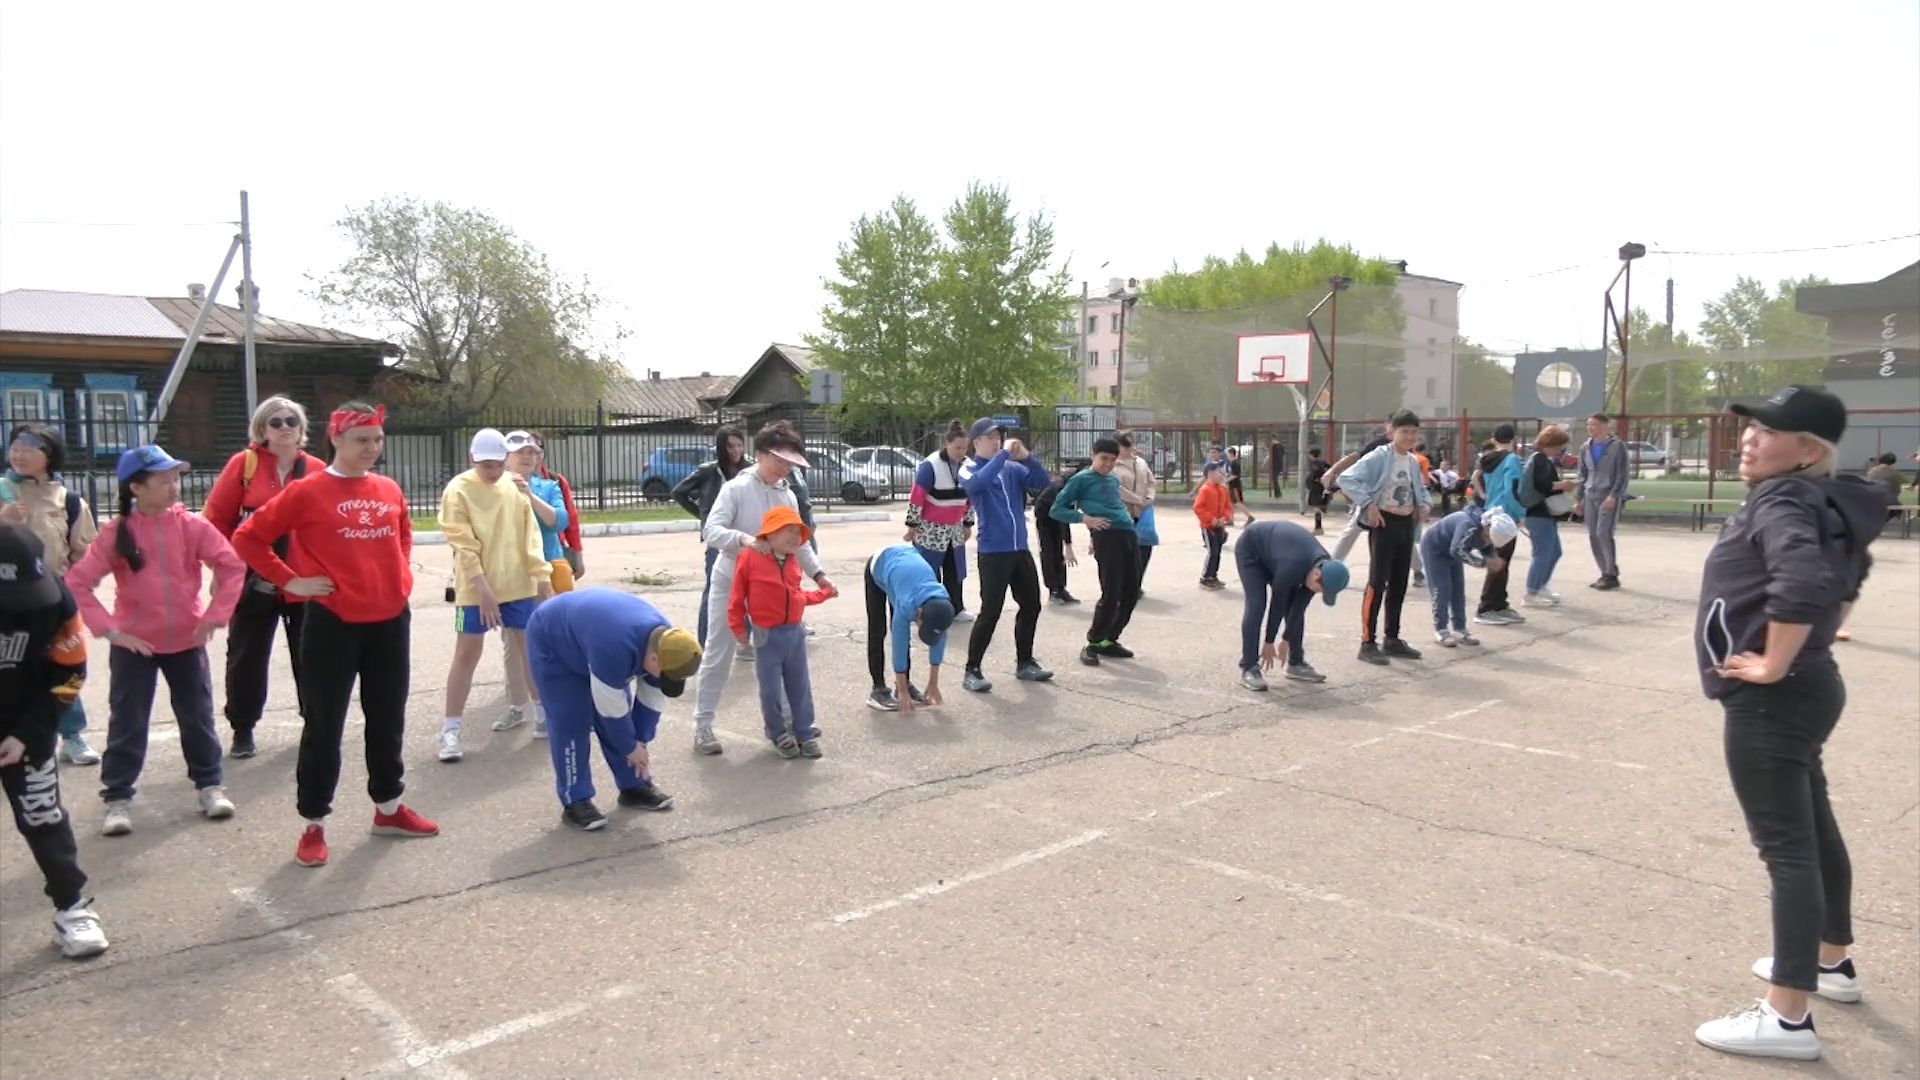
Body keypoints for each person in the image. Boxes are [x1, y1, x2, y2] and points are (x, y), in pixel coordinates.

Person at [1691, 385, 1887, 1062]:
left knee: (1787, 847)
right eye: (1749, 425)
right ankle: (1830, 961)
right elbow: (1844, 577)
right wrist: (1811, 642)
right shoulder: (1822, 499)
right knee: (1812, 827)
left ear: (1809, 450)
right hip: (1811, 685)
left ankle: (1788, 1015)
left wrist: (1774, 662)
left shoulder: (1782, 499)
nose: (1748, 436)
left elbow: (1803, 581)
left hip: (1778, 696)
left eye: (1768, 430)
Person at [231, 402, 439, 868]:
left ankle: (388, 808)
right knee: (325, 724)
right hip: (332, 623)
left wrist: (400, 575)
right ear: (337, 439)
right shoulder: (308, 490)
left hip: (389, 621)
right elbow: (248, 537)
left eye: (378, 439)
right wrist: (290, 581)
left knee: (387, 718)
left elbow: (402, 533)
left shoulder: (387, 488)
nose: (372, 448)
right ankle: (314, 823)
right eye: (362, 439)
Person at [66, 445, 246, 836]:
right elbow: (77, 582)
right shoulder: (117, 533)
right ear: (136, 488)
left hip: (186, 640)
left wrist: (214, 616)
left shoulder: (192, 526)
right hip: (135, 646)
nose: (173, 486)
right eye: (163, 480)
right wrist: (112, 631)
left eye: (175, 478)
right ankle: (117, 798)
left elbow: (232, 566)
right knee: (128, 720)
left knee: (197, 717)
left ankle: (210, 786)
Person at [691, 420, 836, 754]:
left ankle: (788, 725)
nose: (783, 467)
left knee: (782, 657)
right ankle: (703, 725)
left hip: (773, 592)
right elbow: (711, 531)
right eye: (778, 459)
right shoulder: (737, 489)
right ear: (760, 455)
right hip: (732, 579)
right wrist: (744, 540)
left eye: (789, 462)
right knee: (718, 650)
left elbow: (799, 542)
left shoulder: (787, 494)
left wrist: (819, 574)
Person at [0, 524, 110, 958]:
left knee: (43, 816)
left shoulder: (55, 599)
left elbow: (70, 673)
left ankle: (72, 907)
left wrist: (28, 734)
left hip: (26, 724)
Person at [200, 395, 329, 759]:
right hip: (254, 579)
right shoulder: (245, 465)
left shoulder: (318, 469)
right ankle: (243, 728)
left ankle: (316, 723)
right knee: (246, 656)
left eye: (292, 421)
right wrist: (227, 568)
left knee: (312, 656)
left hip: (305, 582)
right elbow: (215, 522)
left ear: (302, 429)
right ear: (262, 429)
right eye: (276, 422)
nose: (285, 428)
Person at [526, 588, 699, 830]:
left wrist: (640, 741)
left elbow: (652, 697)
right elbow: (611, 710)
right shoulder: (615, 647)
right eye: (666, 675)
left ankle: (633, 787)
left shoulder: (668, 643)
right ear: (653, 660)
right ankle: (575, 800)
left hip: (592, 639)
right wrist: (629, 746)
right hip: (554, 642)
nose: (666, 680)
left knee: (626, 728)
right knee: (571, 721)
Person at [437, 428, 554, 762]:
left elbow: (530, 535)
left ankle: (543, 716)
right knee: (467, 652)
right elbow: (462, 542)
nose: (492, 471)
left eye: (498, 464)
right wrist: (483, 590)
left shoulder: (514, 486)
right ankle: (450, 729)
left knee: (528, 648)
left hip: (518, 584)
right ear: (472, 459)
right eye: (485, 464)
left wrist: (541, 576)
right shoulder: (458, 490)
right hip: (475, 589)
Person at [2, 422, 102, 766]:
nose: (19, 454)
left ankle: (72, 735)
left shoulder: (69, 500)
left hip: (50, 600)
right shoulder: (1, 491)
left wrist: (66, 590)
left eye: (29, 448)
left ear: (49, 456)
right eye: (15, 447)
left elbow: (83, 551)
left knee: (62, 665)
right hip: (4, 600)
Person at [957, 418, 1054, 691]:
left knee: (1031, 604)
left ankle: (1025, 662)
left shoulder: (1011, 468)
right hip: (993, 551)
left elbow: (1041, 483)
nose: (997, 440)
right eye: (990, 437)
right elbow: (975, 486)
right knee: (991, 611)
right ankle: (972, 669)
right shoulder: (969, 468)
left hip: (1019, 549)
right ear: (976, 442)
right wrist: (1001, 457)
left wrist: (1027, 458)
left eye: (999, 436)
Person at [729, 506, 835, 754]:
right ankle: (777, 733)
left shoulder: (791, 560)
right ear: (770, 533)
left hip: (794, 633)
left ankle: (804, 732)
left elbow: (795, 596)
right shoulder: (749, 557)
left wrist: (824, 593)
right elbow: (737, 596)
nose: (795, 537)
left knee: (799, 685)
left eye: (798, 532)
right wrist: (738, 628)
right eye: (788, 530)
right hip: (766, 634)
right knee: (770, 689)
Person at [1334, 411, 1430, 665]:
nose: (1409, 436)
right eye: (1404, 431)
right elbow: (1346, 478)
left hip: (1405, 524)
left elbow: (1418, 489)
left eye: (1413, 431)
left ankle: (1392, 638)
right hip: (1384, 523)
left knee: (1399, 582)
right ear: (1392, 431)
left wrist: (1424, 504)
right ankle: (1367, 642)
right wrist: (1368, 504)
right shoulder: (1379, 456)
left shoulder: (1411, 460)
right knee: (1378, 582)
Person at [497, 430, 573, 733]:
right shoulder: (493, 487)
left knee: (550, 639)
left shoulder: (548, 486)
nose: (528, 458)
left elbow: (559, 520)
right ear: (506, 458)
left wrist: (529, 494)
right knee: (513, 645)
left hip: (545, 573)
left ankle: (555, 705)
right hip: (510, 574)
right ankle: (517, 706)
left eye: (533, 453)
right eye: (521, 453)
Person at [1049, 437, 1140, 667]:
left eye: (1112, 460)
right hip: (1108, 538)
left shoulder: (1111, 479)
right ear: (1093, 455)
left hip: (1128, 535)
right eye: (1104, 459)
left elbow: (1114, 501)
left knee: (1131, 592)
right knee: (1111, 593)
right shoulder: (1081, 479)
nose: (1108, 464)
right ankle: (1093, 643)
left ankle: (1110, 640)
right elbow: (1057, 509)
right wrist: (1085, 519)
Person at [1232, 520, 1348, 691]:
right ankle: (1249, 667)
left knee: (1295, 608)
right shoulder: (1292, 567)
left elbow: (1299, 607)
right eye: (1320, 589)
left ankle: (1296, 662)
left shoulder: (1323, 567)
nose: (1318, 592)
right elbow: (1278, 603)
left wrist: (1285, 639)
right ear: (1316, 575)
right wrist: (1269, 642)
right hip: (1252, 549)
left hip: (1277, 553)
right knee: (1257, 604)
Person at [671, 424, 747, 647]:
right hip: (719, 541)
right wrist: (704, 516)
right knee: (713, 592)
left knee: (749, 590)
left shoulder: (748, 471)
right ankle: (705, 644)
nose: (735, 451)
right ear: (721, 448)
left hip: (745, 538)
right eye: (730, 446)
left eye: (739, 445)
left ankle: (746, 640)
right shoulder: (709, 471)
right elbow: (678, 492)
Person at [862, 543, 955, 712]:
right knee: (878, 630)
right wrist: (903, 692)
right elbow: (900, 642)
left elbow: (939, 639)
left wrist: (933, 684)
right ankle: (878, 689)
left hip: (903, 571)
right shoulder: (908, 605)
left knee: (901, 628)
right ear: (918, 613)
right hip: (879, 566)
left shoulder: (942, 605)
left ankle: (903, 683)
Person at [906, 420, 976, 623]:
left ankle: (956, 608)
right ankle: (929, 610)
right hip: (930, 528)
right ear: (947, 443)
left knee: (955, 570)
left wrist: (968, 524)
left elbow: (970, 498)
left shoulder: (968, 466)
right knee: (929, 570)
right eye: (957, 448)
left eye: (964, 448)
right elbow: (917, 496)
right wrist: (912, 525)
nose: (961, 452)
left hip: (954, 528)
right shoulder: (931, 465)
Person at [1420, 505, 1518, 648]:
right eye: (1487, 537)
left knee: (1458, 591)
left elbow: (1487, 549)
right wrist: (1484, 562)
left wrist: (1493, 559)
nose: (1487, 541)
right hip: (1435, 549)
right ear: (1486, 528)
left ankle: (1460, 628)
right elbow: (1457, 550)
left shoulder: (1487, 532)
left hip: (1453, 552)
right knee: (1442, 589)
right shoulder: (1468, 525)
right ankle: (1441, 629)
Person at [1470, 425, 1528, 626]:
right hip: (1505, 515)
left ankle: (1499, 604)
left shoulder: (1488, 460)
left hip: (1491, 512)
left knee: (1501, 561)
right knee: (1499, 562)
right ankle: (1486, 608)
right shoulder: (1511, 460)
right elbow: (1512, 489)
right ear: (1513, 440)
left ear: (1494, 438)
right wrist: (1521, 513)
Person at [1518, 425, 1577, 607]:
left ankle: (1540, 585)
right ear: (1550, 444)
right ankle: (1531, 592)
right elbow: (1542, 485)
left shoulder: (1540, 459)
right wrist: (1562, 485)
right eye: (1559, 446)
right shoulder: (1540, 460)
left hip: (1542, 512)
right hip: (1537, 512)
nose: (1561, 450)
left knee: (1554, 551)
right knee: (1543, 552)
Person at [1322, 423, 1394, 560]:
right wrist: (1332, 470)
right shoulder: (1380, 447)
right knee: (1352, 530)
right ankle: (1333, 564)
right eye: (1391, 428)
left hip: (1392, 501)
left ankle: (1419, 570)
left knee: (1400, 534)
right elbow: (1355, 456)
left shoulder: (1408, 455)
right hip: (1371, 497)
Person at [1577, 412, 1629, 591]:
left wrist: (1614, 495)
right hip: (1590, 494)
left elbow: (1622, 474)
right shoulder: (1585, 447)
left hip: (1607, 495)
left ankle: (1611, 574)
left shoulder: (1617, 446)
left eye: (1594, 424)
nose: (1590, 428)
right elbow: (1581, 474)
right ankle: (1604, 571)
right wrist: (1579, 499)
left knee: (1603, 533)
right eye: (1588, 425)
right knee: (1593, 534)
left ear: (1604, 426)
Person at [1111, 431, 1158, 590]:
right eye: (1126, 445)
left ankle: (1136, 584)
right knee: (1125, 552)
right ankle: (1123, 585)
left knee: (1144, 548)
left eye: (1131, 444)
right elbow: (1117, 489)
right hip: (1123, 514)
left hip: (1143, 512)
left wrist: (1149, 498)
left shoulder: (1140, 463)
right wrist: (1137, 500)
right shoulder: (1112, 465)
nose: (1130, 448)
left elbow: (1151, 482)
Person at [1032, 465, 1080, 604]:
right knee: (1049, 552)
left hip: (1056, 514)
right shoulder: (1062, 488)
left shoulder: (1076, 483)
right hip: (1044, 516)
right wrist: (1069, 546)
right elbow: (1063, 520)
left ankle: (1061, 588)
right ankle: (1053, 590)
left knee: (1059, 553)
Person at [1193, 464, 1233, 589]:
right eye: (1219, 472)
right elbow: (1198, 508)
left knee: (1218, 552)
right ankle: (1205, 577)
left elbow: (1228, 506)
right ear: (1210, 473)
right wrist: (1212, 519)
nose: (1222, 475)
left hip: (1220, 526)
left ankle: (1213, 575)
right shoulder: (1205, 490)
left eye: (1222, 472)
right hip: (1208, 527)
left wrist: (1224, 518)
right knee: (1213, 552)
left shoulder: (1223, 489)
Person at [1224, 446, 1256, 526]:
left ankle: (1250, 517)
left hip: (1235, 486)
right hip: (1232, 485)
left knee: (1238, 502)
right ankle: (1230, 520)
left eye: (1227, 453)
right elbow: (1230, 474)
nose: (1226, 455)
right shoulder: (1231, 463)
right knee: (1232, 503)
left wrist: (1225, 481)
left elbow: (1235, 475)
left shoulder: (1235, 463)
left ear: (1231, 453)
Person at [1304, 448, 1331, 535]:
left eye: (1309, 454)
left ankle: (1318, 528)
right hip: (1315, 487)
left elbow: (1319, 471)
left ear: (1312, 454)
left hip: (1316, 488)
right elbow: (1330, 467)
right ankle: (1323, 505)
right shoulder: (1320, 462)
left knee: (1316, 508)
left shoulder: (1316, 463)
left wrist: (1319, 478)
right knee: (1316, 506)